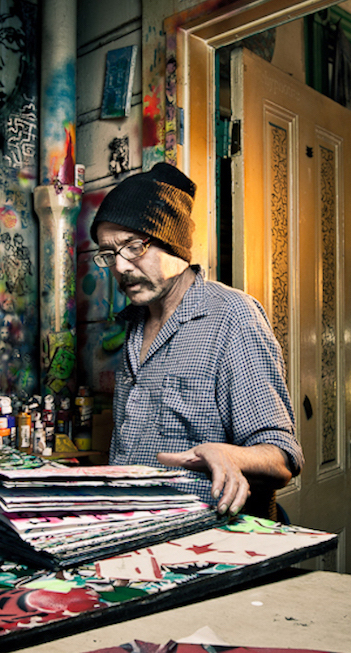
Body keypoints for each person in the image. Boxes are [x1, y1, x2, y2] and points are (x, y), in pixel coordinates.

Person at [90, 162, 303, 518]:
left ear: (173, 242)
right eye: (110, 254)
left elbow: (283, 457)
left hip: (209, 540)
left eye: (133, 247)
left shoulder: (233, 317)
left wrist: (228, 455)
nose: (121, 266)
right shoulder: (134, 323)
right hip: (133, 533)